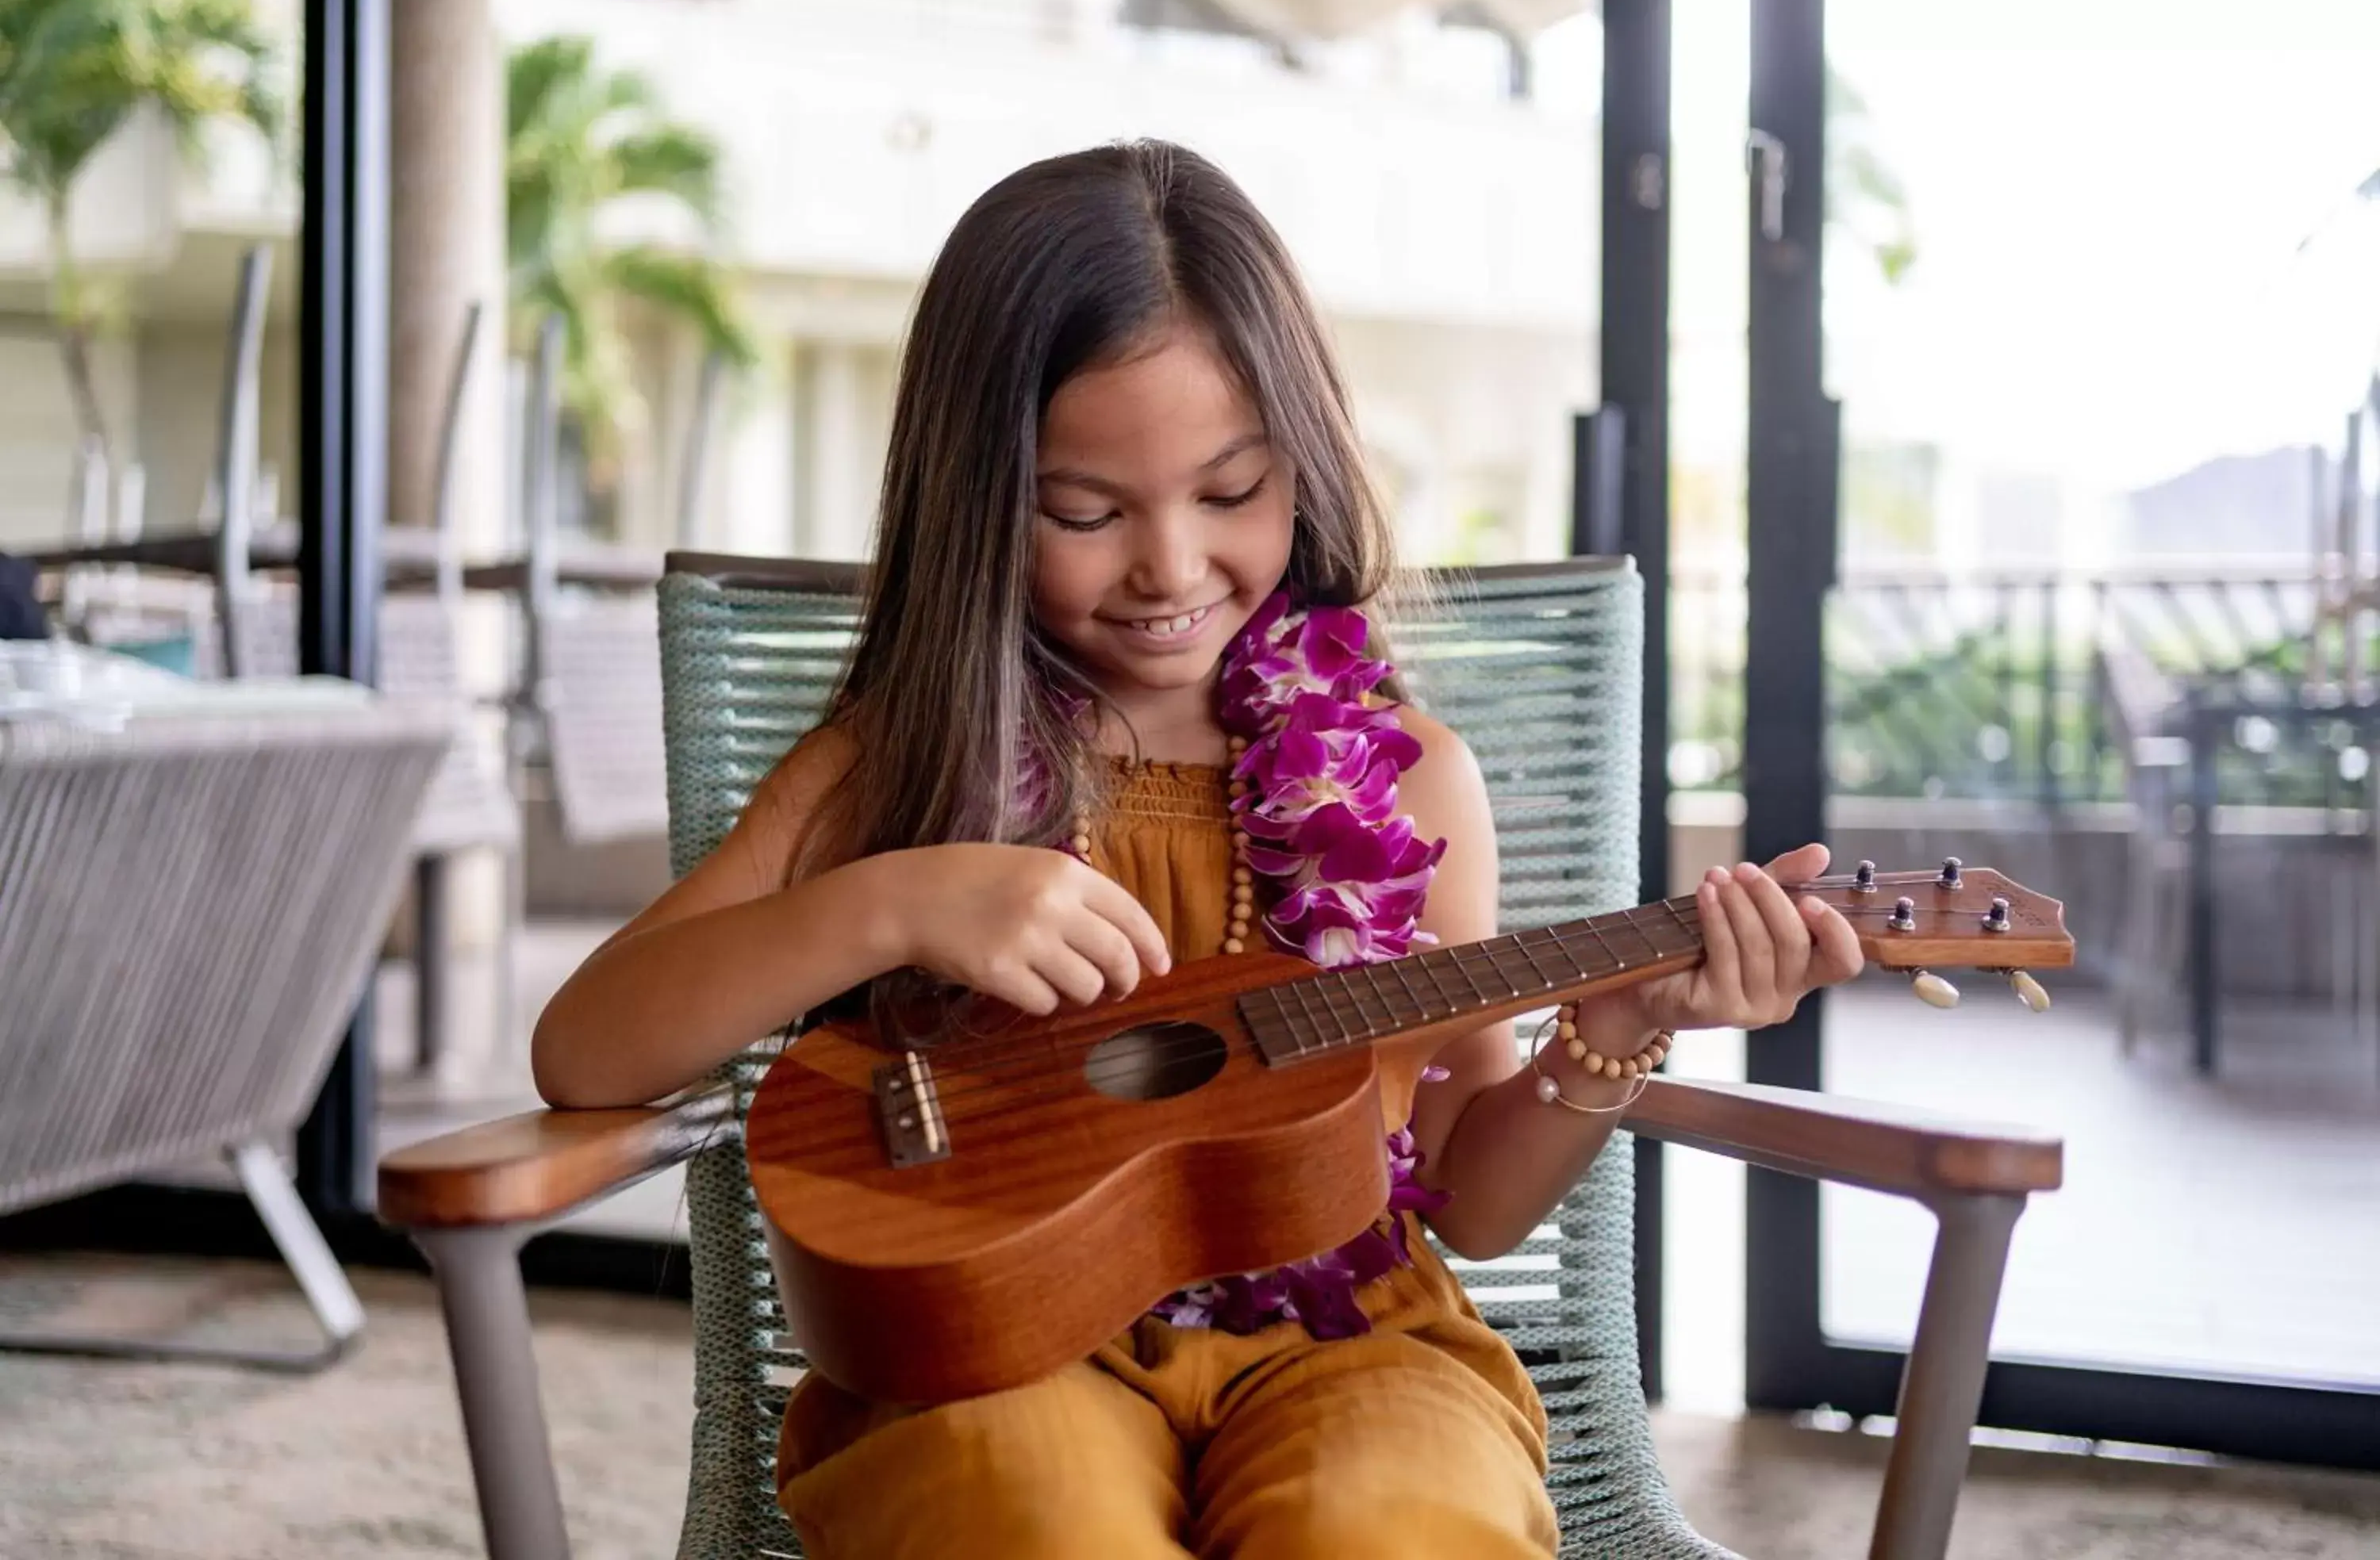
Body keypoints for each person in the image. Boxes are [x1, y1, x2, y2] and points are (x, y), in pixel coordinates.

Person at [531, 139, 1864, 1559]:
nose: (1170, 565)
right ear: (978, 505)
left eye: (1231, 493)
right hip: (997, 1346)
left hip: (1351, 1341)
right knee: (1034, 1519)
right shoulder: (902, 763)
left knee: (1393, 1525)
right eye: (1086, 513)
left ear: (1306, 461)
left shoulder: (1407, 784)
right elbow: (587, 1050)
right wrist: (892, 903)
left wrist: (1610, 1032)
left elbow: (1468, 1196)